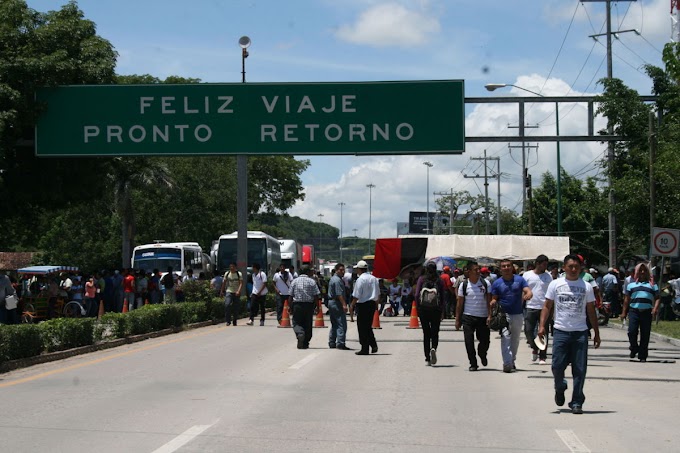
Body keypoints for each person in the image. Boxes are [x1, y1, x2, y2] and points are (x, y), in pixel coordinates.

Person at [538, 254, 601, 415]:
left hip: (580, 333)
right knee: (557, 366)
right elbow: (547, 306)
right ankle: (560, 387)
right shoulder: (555, 284)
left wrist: (596, 332)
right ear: (564, 268)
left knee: (580, 369)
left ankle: (577, 401)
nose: (573, 269)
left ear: (581, 268)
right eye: (570, 266)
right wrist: (542, 326)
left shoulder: (586, 286)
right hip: (561, 331)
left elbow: (591, 310)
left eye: (576, 267)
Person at [490, 259, 533, 373]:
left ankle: (512, 360)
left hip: (518, 314)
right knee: (506, 338)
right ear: (500, 269)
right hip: (503, 315)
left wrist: (528, 294)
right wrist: (493, 302)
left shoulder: (519, 280)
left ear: (512, 267)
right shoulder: (497, 283)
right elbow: (494, 297)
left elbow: (527, 290)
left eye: (508, 266)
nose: (506, 268)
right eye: (503, 266)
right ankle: (507, 363)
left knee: (515, 339)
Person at [620, 263, 660, 362]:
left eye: (644, 270)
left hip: (647, 312)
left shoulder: (652, 285)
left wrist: (655, 308)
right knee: (632, 332)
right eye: (640, 270)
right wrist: (624, 313)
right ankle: (634, 348)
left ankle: (642, 355)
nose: (642, 272)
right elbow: (626, 300)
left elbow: (658, 298)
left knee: (645, 334)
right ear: (636, 272)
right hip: (634, 311)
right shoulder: (631, 285)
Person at [455, 262, 490, 371]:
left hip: (483, 317)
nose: (478, 271)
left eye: (479, 269)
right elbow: (459, 304)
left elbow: (489, 301)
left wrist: (490, 315)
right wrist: (457, 319)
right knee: (469, 341)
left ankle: (482, 353)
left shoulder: (486, 283)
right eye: (475, 270)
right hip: (468, 317)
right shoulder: (464, 285)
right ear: (469, 272)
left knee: (485, 341)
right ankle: (473, 363)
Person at [523, 255, 553, 365]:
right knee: (528, 330)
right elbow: (522, 289)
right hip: (530, 306)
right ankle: (534, 347)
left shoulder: (548, 276)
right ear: (537, 264)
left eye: (546, 264)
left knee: (543, 331)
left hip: (544, 307)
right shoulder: (527, 275)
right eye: (543, 264)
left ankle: (542, 356)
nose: (545, 267)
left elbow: (551, 292)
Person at [415, 262, 445, 366]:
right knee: (435, 332)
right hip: (436, 310)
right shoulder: (439, 280)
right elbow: (443, 297)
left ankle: (427, 357)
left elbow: (416, 294)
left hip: (423, 310)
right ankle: (434, 348)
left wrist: (418, 309)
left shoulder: (421, 279)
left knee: (426, 334)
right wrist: (442, 311)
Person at [350, 260, 379, 356]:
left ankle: (365, 348)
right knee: (367, 326)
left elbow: (357, 294)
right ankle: (373, 344)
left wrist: (352, 305)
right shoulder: (374, 278)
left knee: (362, 327)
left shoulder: (360, 279)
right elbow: (377, 293)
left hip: (363, 305)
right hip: (371, 304)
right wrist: (376, 305)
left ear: (359, 269)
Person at [289, 265, 321, 349]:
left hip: (297, 304)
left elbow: (290, 296)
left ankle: (300, 334)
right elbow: (316, 295)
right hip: (309, 305)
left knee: (296, 322)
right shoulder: (312, 281)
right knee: (308, 323)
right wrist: (318, 307)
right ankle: (306, 342)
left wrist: (290, 307)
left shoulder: (294, 281)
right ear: (307, 272)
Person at [327, 263, 350, 350]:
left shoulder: (335, 279)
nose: (343, 272)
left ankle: (332, 341)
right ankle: (340, 343)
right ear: (336, 270)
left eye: (343, 270)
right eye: (341, 270)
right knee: (341, 324)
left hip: (332, 302)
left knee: (335, 324)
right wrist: (344, 304)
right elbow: (339, 294)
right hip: (336, 303)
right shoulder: (337, 280)